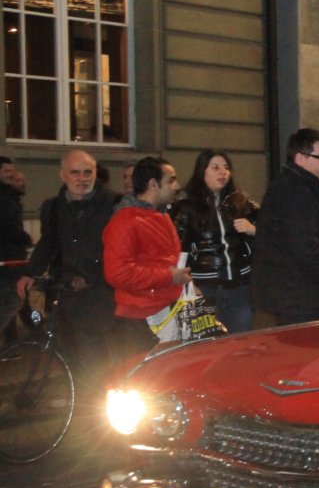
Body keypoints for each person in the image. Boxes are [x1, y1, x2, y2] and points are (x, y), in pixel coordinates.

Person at [18, 149, 119, 369]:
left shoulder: (114, 204)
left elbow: (120, 248)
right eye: (75, 173)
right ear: (63, 175)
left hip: (104, 293)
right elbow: (49, 242)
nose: (82, 179)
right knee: (72, 353)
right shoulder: (53, 207)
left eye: (88, 172)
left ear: (96, 173)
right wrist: (31, 272)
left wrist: (91, 275)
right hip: (68, 294)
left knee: (101, 356)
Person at [253, 128, 319, 326]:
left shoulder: (310, 188)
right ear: (300, 158)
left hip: (303, 294)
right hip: (295, 298)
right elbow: (305, 247)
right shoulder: (293, 192)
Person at [102, 156, 188, 361]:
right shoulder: (126, 221)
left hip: (161, 311)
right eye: (171, 180)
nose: (177, 186)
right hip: (143, 317)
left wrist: (184, 285)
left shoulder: (159, 215)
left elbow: (163, 261)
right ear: (153, 184)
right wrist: (169, 277)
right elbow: (118, 273)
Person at [172, 149, 258, 335]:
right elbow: (178, 248)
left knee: (239, 340)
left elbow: (271, 232)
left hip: (239, 287)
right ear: (202, 171)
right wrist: (188, 284)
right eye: (215, 167)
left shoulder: (242, 204)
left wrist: (253, 229)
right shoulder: (187, 207)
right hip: (204, 288)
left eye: (226, 167)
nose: (223, 172)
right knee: (208, 344)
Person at [0, 156, 31, 337]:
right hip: (9, 258)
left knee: (16, 299)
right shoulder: (6, 199)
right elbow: (9, 228)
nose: (11, 175)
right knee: (14, 299)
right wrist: (25, 238)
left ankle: (14, 337)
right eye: (7, 171)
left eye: (12, 171)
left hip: (11, 257)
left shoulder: (10, 197)